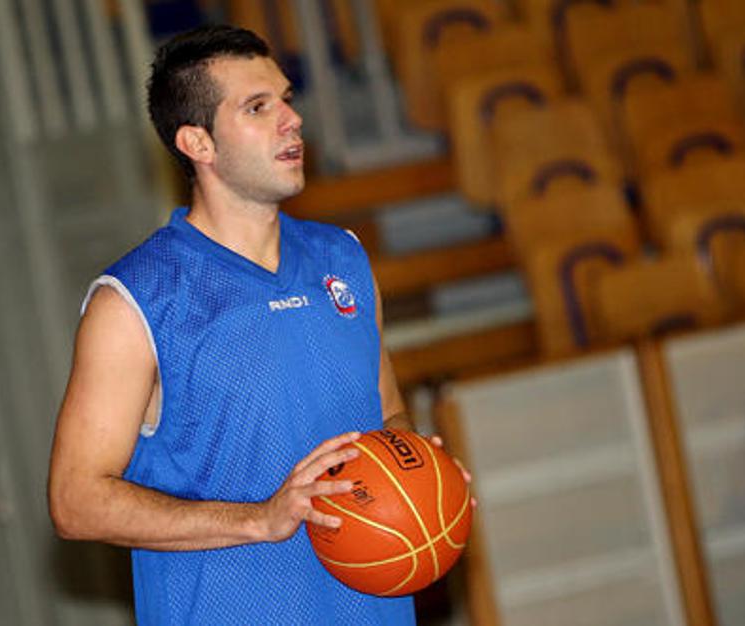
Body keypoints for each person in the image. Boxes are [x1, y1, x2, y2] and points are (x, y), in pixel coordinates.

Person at [48, 24, 469, 625]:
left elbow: (389, 417)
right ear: (198, 142)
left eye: (287, 100)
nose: (292, 120)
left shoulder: (342, 258)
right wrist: (259, 519)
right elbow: (76, 500)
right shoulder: (135, 302)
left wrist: (425, 480)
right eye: (257, 107)